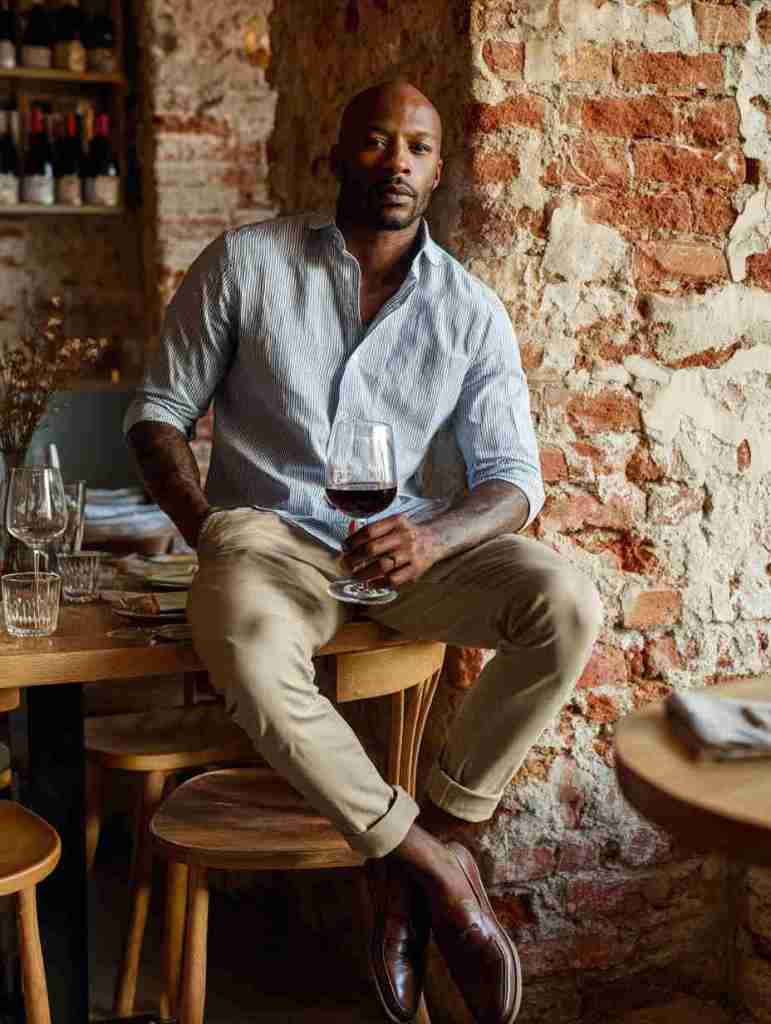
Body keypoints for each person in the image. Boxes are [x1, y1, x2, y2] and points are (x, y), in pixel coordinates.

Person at [125, 79, 602, 1024]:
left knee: (566, 603)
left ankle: (437, 838)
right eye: (378, 142)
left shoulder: (469, 309)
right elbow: (158, 415)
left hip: (410, 548)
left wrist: (435, 535)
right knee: (248, 651)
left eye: (417, 148)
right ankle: (428, 865)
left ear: (437, 169)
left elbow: (514, 478)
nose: (397, 162)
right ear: (338, 154)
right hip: (270, 542)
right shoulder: (247, 262)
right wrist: (207, 526)